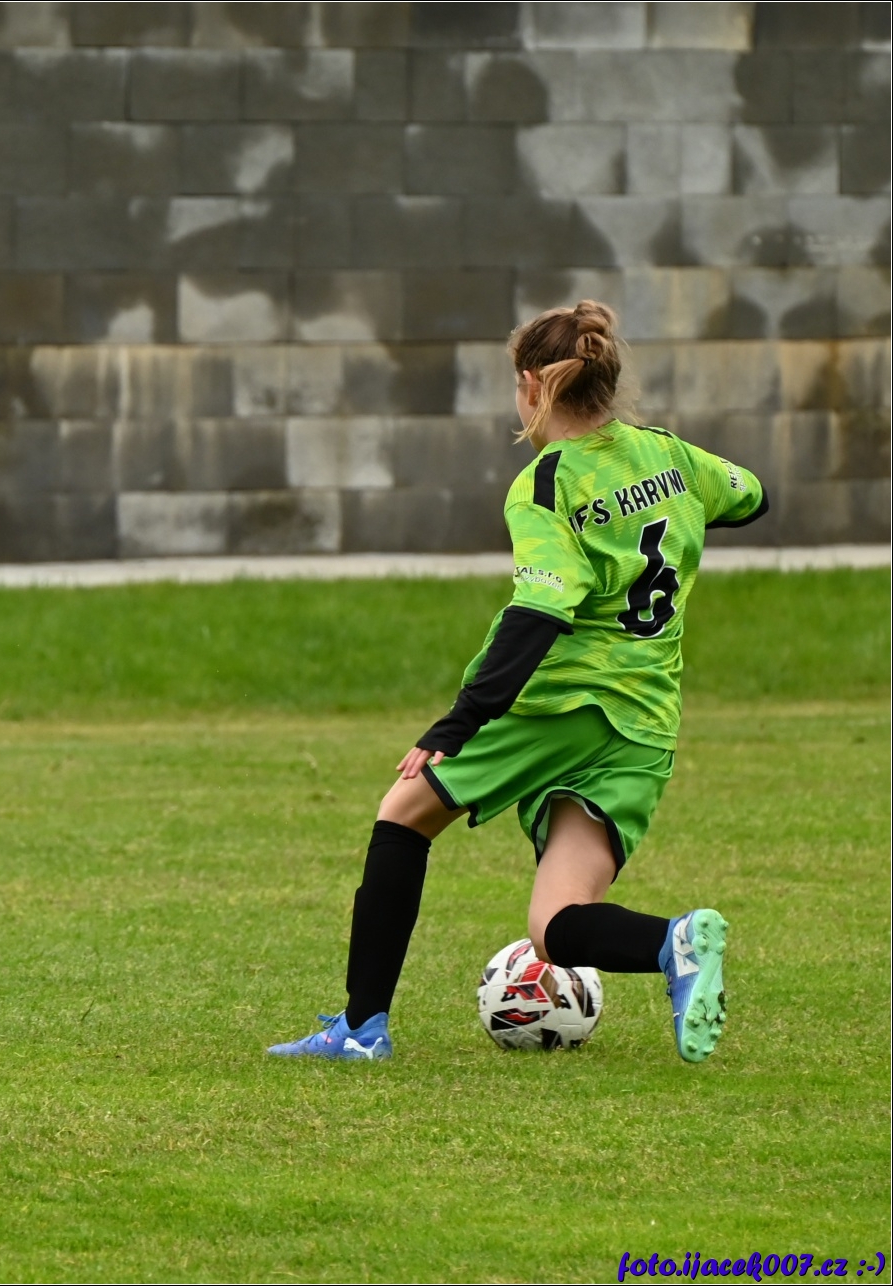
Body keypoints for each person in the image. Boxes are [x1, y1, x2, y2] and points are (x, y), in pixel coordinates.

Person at [268, 300, 767, 1063]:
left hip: (562, 704)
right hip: (644, 723)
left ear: (533, 385)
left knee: (403, 813)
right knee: (555, 924)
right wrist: (661, 512)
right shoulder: (668, 454)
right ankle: (674, 944)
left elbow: (540, 612)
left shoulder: (548, 484)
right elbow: (752, 495)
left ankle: (360, 1031)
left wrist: (459, 722)